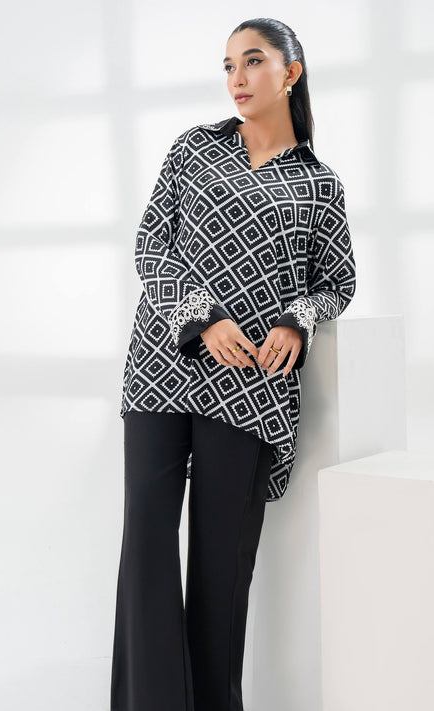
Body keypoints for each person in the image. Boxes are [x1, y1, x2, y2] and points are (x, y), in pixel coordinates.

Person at [110, 17, 357, 711]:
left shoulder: (319, 185)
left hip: (250, 391)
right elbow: (151, 247)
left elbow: (336, 281)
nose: (237, 79)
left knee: (222, 573)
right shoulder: (193, 148)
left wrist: (297, 317)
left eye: (252, 62)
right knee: (147, 550)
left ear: (291, 72)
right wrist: (203, 315)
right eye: (227, 66)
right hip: (161, 371)